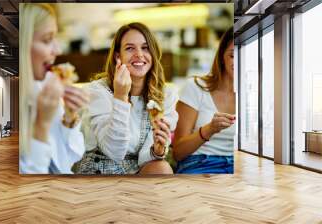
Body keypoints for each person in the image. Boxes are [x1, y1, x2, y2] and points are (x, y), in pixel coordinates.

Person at [76, 22, 178, 175]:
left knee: (161, 167)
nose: (139, 54)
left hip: (138, 167)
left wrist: (156, 150)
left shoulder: (165, 95)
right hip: (101, 168)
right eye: (130, 48)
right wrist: (120, 96)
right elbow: (114, 152)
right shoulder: (97, 92)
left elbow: (147, 158)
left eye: (145, 48)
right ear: (118, 56)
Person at [19, 3, 88, 174]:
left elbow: (71, 157)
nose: (57, 50)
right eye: (47, 40)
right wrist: (41, 124)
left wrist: (69, 117)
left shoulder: (47, 86)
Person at [172, 27, 235, 174]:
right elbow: (177, 153)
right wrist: (209, 129)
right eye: (232, 55)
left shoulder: (256, 95)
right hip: (200, 163)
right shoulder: (195, 87)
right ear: (221, 57)